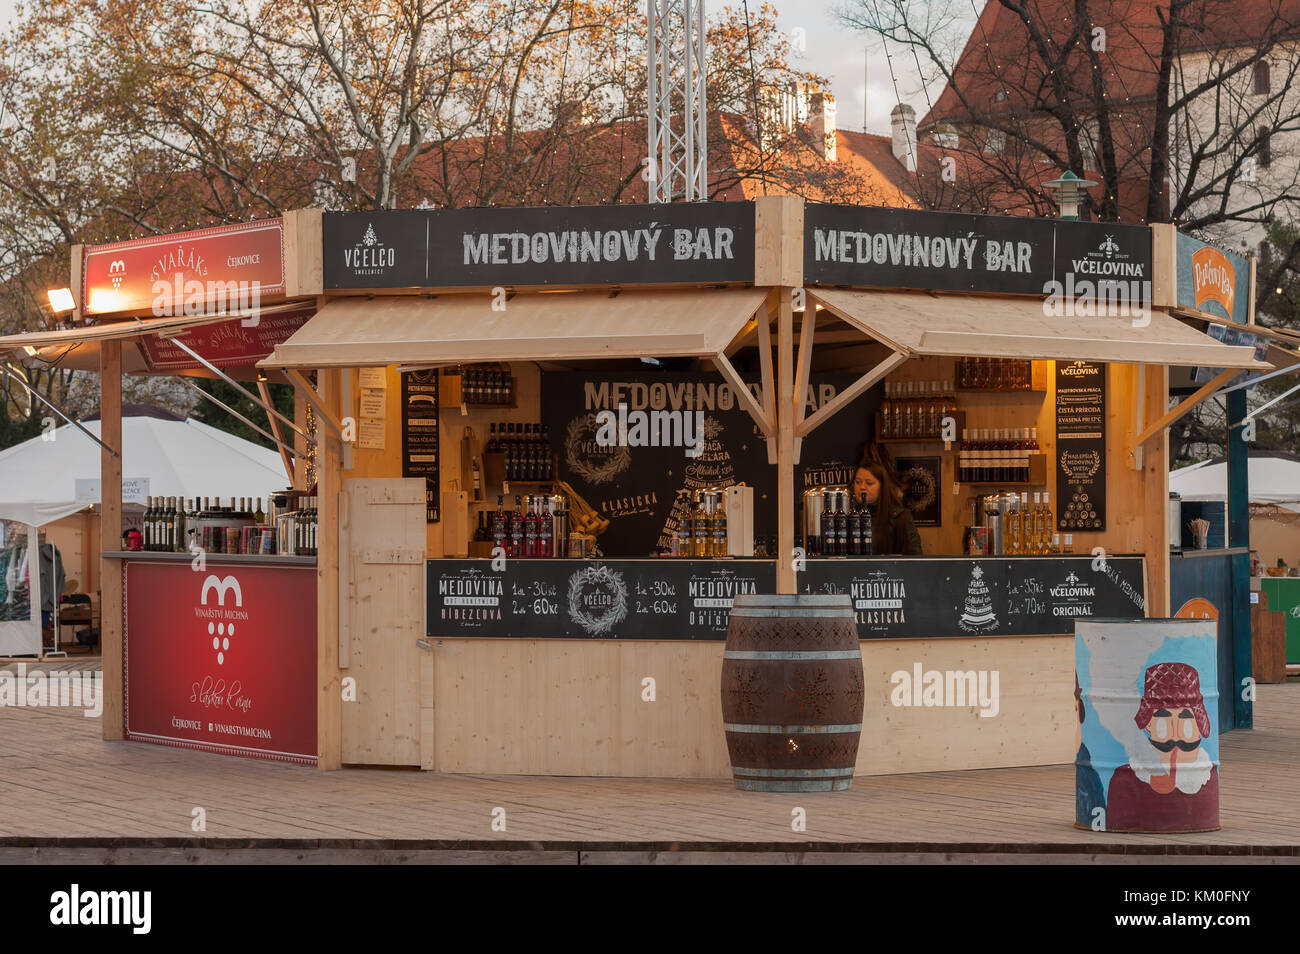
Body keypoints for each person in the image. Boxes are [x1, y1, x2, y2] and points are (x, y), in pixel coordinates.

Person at [1104, 662, 1219, 832]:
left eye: (1184, 720)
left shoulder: (1206, 776)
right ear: (1149, 724)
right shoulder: (1126, 780)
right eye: (1164, 721)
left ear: (1198, 725)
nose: (1175, 733)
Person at [851, 461, 922, 555]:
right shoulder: (847, 516)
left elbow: (915, 558)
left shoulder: (900, 517)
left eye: (869, 483)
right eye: (858, 482)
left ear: (882, 487)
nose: (862, 487)